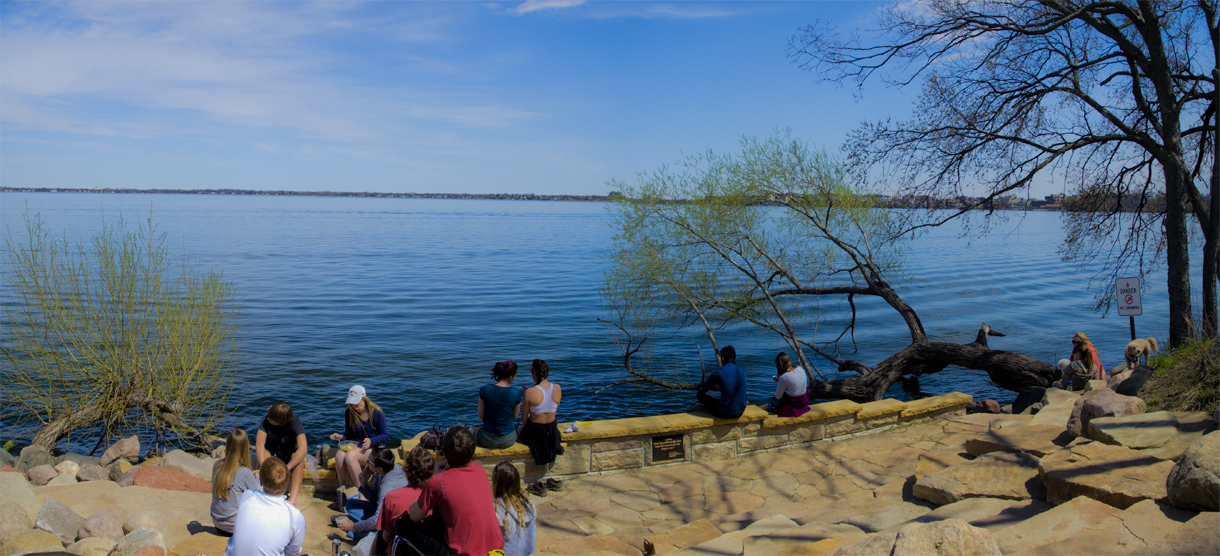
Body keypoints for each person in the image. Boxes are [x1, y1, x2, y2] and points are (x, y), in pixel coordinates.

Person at [400, 426, 504, 556]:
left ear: (445, 452)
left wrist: (435, 478)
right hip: (494, 549)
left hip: (462, 554)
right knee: (440, 505)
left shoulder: (438, 482)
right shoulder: (480, 469)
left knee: (402, 524)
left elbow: (415, 515)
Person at [224, 456, 305, 556]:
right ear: (286, 484)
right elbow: (292, 552)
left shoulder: (247, 496)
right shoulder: (295, 517)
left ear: (261, 482)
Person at [336, 447, 408, 555]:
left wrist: (353, 527)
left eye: (369, 461)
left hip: (393, 522)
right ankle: (364, 527)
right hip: (384, 511)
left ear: (379, 468)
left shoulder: (387, 487)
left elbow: (377, 520)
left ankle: (357, 531)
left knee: (370, 533)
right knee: (351, 504)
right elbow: (374, 499)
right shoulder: (383, 471)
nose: (366, 463)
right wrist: (364, 485)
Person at [329, 385, 390, 488]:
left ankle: (362, 490)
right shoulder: (349, 413)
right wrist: (340, 437)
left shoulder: (376, 413)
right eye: (352, 404)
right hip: (358, 446)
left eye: (357, 403)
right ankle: (343, 489)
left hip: (374, 449)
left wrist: (371, 441)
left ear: (364, 399)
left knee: (350, 456)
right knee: (339, 455)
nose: (355, 407)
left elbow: (385, 435)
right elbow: (348, 434)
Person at [380, 447, 435, 556]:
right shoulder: (436, 499)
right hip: (427, 551)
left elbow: (386, 537)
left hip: (399, 551)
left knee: (379, 535)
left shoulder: (392, 497)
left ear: (406, 470)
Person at [255, 402, 308, 505]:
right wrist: (263, 466)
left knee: (299, 461)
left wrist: (287, 468)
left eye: (271, 418)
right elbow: (259, 444)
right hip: (272, 453)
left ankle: (292, 500)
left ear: (280, 421)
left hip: (289, 454)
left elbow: (303, 449)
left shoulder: (295, 422)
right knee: (264, 455)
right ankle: (263, 492)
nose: (267, 419)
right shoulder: (266, 420)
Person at [210, 429, 259, 535]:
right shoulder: (243, 472)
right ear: (245, 448)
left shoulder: (217, 465)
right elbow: (258, 494)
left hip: (218, 524)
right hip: (234, 528)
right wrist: (257, 478)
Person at [518, 359, 565, 466]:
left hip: (536, 433)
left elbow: (524, 420)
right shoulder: (557, 388)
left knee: (519, 428)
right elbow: (553, 410)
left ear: (534, 373)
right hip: (552, 431)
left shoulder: (529, 392)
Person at [492, 462, 537, 556]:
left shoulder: (496, 509)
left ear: (497, 484)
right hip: (526, 552)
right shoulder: (528, 504)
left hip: (507, 553)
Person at [478, 361, 523, 449]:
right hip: (508, 439)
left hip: (487, 439)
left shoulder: (485, 389)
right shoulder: (516, 392)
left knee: (478, 430)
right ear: (511, 376)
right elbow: (514, 417)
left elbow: (481, 415)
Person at [696, 346, 747, 419]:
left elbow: (705, 387)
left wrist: (700, 387)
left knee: (700, 395)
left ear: (722, 359)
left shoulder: (719, 372)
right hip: (740, 412)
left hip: (725, 413)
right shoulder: (742, 371)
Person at [768, 352, 810, 417]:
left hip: (794, 402)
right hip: (804, 400)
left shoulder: (784, 377)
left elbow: (777, 397)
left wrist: (779, 379)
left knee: (773, 401)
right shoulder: (800, 369)